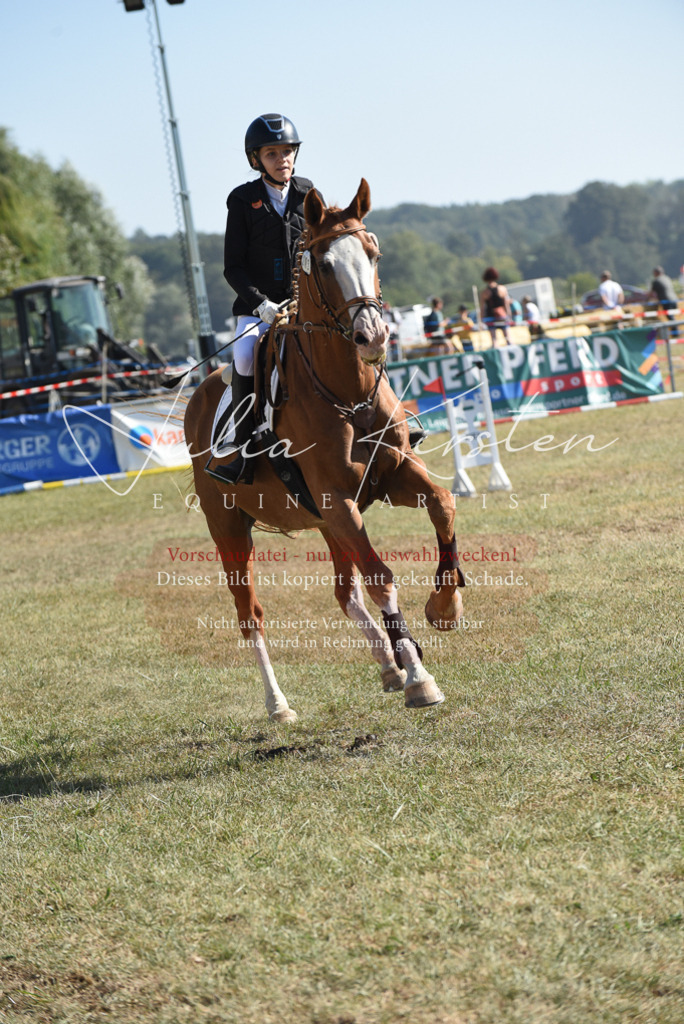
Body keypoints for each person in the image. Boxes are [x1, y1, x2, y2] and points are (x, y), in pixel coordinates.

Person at [213, 113, 318, 484]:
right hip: (258, 309)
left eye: (287, 151)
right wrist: (261, 305)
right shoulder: (242, 200)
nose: (282, 159)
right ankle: (243, 450)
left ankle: (385, 423)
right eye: (272, 153)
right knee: (244, 356)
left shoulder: (308, 194)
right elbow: (233, 267)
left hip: (303, 305)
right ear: (256, 159)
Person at [480, 267, 511, 346]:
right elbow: (506, 304)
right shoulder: (502, 289)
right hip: (501, 315)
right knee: (507, 337)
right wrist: (508, 315)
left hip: (490, 316)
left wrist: (481, 319)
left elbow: (482, 308)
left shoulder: (485, 292)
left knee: (494, 339)